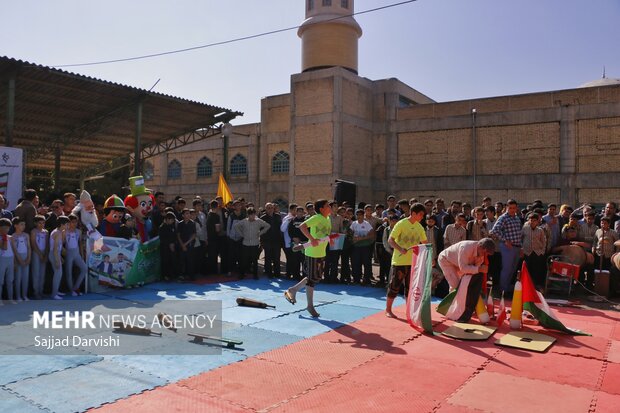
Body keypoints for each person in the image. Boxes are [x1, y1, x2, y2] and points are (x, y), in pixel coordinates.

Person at [284, 199, 332, 318]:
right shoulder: (316, 218)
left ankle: (293, 290)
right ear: (321, 209)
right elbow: (302, 226)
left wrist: (329, 239)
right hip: (312, 253)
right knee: (311, 279)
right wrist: (312, 239)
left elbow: (325, 234)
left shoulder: (328, 218)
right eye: (327, 206)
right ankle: (310, 306)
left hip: (321, 253)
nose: (330, 207)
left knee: (315, 277)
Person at [385, 203, 427, 318]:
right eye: (420, 214)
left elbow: (425, 243)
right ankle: (388, 309)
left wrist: (430, 256)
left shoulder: (419, 227)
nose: (422, 217)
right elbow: (390, 240)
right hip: (399, 262)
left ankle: (409, 310)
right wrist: (400, 249)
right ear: (413, 213)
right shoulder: (401, 223)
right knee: (394, 286)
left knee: (411, 288)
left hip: (413, 262)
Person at [438, 238, 495, 322]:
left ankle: (460, 309)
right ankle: (451, 311)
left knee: (463, 286)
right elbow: (464, 268)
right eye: (484, 252)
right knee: (455, 285)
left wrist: (479, 269)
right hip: (447, 261)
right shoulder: (465, 248)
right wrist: (479, 269)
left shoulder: (481, 253)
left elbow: (474, 270)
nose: (484, 255)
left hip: (459, 263)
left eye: (486, 254)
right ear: (480, 247)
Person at [490, 199, 523, 293]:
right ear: (506, 208)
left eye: (514, 208)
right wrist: (505, 240)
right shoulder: (503, 217)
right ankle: (503, 289)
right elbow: (495, 230)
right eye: (510, 208)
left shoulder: (517, 218)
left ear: (516, 208)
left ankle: (507, 288)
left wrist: (521, 247)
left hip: (516, 247)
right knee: (507, 269)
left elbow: (518, 234)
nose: (512, 210)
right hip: (508, 247)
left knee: (512, 269)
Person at [234, 207, 270, 279]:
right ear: (248, 215)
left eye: (254, 214)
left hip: (255, 244)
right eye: (251, 215)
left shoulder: (258, 221)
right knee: (244, 260)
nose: (253, 216)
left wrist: (260, 233)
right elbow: (236, 226)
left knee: (254, 260)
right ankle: (242, 274)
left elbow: (268, 226)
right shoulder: (244, 221)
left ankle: (255, 275)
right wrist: (242, 234)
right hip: (245, 243)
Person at [521, 213, 547, 289]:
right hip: (527, 252)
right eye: (531, 220)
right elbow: (521, 238)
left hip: (537, 253)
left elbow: (543, 241)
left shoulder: (540, 230)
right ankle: (526, 285)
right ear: (528, 220)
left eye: (534, 220)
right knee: (527, 269)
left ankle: (534, 285)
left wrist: (542, 251)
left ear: (537, 221)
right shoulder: (525, 228)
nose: (532, 222)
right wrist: (522, 248)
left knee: (536, 269)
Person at [350, 209, 375, 285]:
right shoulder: (354, 224)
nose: (359, 216)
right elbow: (350, 234)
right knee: (356, 263)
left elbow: (372, 234)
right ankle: (356, 279)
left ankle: (366, 279)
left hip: (365, 246)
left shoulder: (367, 224)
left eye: (361, 214)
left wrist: (362, 238)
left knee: (366, 263)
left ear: (363, 215)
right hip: (356, 247)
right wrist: (353, 239)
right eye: (357, 214)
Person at [64, 214, 87, 295]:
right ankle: (71, 290)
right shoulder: (65, 232)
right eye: (72, 222)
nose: (74, 224)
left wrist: (82, 256)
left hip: (76, 253)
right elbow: (62, 244)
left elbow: (80, 243)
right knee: (68, 272)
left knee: (84, 269)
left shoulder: (78, 231)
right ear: (68, 222)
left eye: (75, 222)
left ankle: (75, 287)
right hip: (68, 254)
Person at [260, 202, 283, 278]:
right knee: (268, 257)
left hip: (277, 240)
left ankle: (277, 273)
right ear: (266, 209)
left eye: (271, 208)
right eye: (268, 208)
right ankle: (268, 272)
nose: (270, 209)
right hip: (267, 241)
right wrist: (262, 241)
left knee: (277, 257)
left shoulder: (278, 217)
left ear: (274, 209)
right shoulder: (262, 218)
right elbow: (260, 230)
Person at [49, 216, 69, 300]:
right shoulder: (57, 233)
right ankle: (54, 294)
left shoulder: (60, 232)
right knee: (58, 274)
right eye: (66, 224)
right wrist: (57, 260)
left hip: (56, 254)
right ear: (62, 224)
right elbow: (55, 249)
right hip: (54, 255)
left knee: (58, 274)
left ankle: (56, 291)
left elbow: (59, 248)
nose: (68, 226)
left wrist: (60, 257)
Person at [11, 216, 31, 301]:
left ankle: (24, 295)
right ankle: (18, 296)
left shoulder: (26, 235)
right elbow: (14, 250)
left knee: (25, 278)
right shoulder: (13, 236)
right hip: (17, 259)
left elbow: (29, 248)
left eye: (24, 224)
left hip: (26, 257)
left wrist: (28, 258)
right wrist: (19, 260)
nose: (24, 226)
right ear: (15, 225)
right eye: (21, 224)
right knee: (18, 278)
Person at [30, 215, 48, 299]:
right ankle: (36, 292)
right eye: (39, 223)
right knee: (36, 273)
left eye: (43, 223)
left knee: (42, 273)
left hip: (44, 253)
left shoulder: (46, 232)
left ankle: (41, 291)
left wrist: (45, 255)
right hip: (36, 253)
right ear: (35, 223)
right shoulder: (33, 231)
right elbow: (33, 244)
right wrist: (40, 254)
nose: (41, 225)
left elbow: (47, 244)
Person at [177, 208, 197, 280]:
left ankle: (191, 275)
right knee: (181, 261)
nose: (188, 215)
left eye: (189, 213)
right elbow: (178, 235)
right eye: (186, 214)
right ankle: (181, 275)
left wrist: (186, 244)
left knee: (190, 260)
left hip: (189, 244)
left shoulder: (192, 223)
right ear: (183, 215)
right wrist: (182, 245)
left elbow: (194, 235)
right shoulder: (180, 224)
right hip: (181, 244)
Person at [159, 212, 178, 281]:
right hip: (165, 247)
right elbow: (162, 238)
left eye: (173, 220)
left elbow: (174, 235)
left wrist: (173, 243)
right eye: (171, 220)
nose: (172, 221)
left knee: (172, 261)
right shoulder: (162, 227)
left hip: (172, 246)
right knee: (165, 261)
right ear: (167, 219)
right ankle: (165, 275)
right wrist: (169, 243)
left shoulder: (172, 226)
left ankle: (172, 275)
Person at [0, 218, 14, 304]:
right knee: (0, 281)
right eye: (5, 228)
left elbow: (13, 250)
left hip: (11, 259)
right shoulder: (4, 237)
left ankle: (10, 299)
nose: (7, 230)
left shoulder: (10, 237)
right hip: (2, 260)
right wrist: (4, 237)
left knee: (10, 280)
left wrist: (15, 261)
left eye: (8, 228)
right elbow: (4, 247)